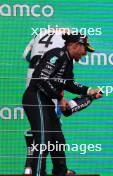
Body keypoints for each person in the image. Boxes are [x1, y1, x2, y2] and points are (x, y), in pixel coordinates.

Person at [22, 32, 102, 176]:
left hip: (45, 100)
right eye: (85, 50)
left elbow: (69, 84)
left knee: (57, 139)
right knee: (43, 139)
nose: (85, 54)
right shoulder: (57, 54)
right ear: (76, 45)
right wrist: (59, 97)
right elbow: (41, 78)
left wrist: (89, 91)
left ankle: (60, 172)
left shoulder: (68, 61)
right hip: (35, 97)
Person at [22, 28, 76, 175]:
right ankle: (37, 170)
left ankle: (32, 168)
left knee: (43, 130)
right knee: (48, 132)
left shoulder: (39, 34)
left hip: (32, 82)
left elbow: (26, 55)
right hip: (47, 87)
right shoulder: (64, 44)